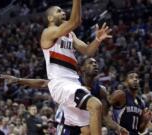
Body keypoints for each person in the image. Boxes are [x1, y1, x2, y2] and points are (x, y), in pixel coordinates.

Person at [0, 58, 128, 135]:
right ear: (82, 69)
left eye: (96, 63)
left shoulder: (101, 90)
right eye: (90, 63)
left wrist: (118, 127)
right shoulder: (70, 82)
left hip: (85, 128)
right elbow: (44, 83)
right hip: (67, 126)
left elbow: (104, 117)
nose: (95, 64)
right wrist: (18, 80)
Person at [40, 0, 112, 134]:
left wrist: (97, 40)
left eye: (63, 10)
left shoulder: (70, 35)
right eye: (59, 11)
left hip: (73, 83)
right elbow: (75, 22)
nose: (63, 12)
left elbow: (88, 51)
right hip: (60, 84)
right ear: (50, 18)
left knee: (88, 130)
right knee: (96, 105)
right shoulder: (48, 32)